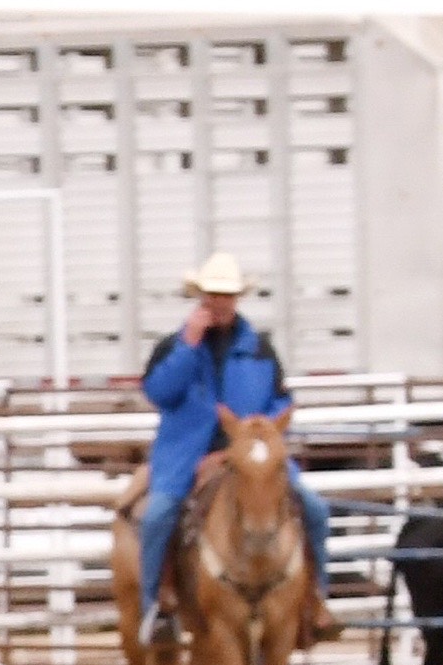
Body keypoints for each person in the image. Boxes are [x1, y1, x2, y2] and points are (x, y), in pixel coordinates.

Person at [136, 254, 337, 640]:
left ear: (237, 298)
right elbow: (158, 392)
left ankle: (315, 599)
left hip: (251, 458)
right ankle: (156, 610)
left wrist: (263, 427)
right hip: (185, 458)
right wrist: (187, 346)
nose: (220, 302)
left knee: (313, 508)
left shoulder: (259, 349)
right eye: (213, 294)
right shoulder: (175, 346)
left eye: (227, 294)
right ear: (200, 297)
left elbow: (280, 400)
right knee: (158, 515)